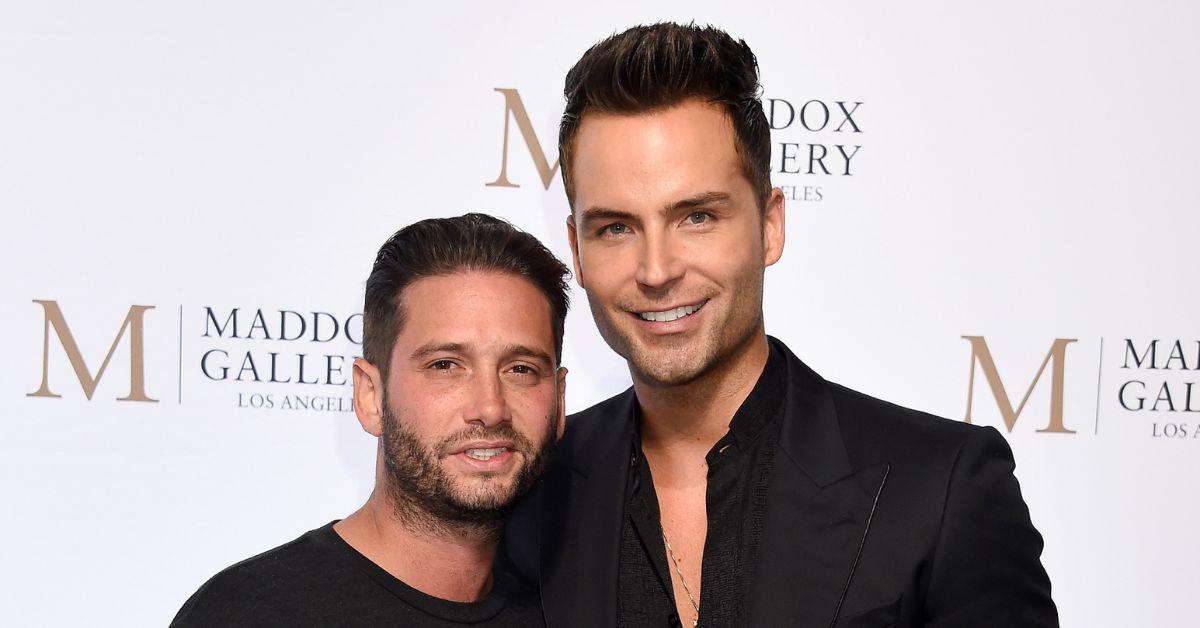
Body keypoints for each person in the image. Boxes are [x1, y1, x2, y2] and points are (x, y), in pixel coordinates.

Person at [502, 23, 1058, 627]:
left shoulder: (942, 490)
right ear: (577, 252)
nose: (656, 270)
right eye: (615, 228)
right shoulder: (526, 489)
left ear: (770, 225)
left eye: (697, 217)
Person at [173, 214, 569, 627]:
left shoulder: (572, 613)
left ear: (559, 400)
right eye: (446, 365)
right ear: (371, 396)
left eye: (521, 369)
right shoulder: (247, 614)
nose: (490, 408)